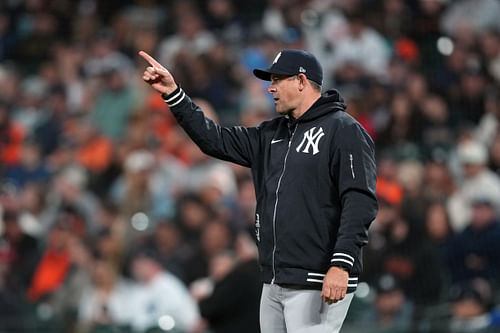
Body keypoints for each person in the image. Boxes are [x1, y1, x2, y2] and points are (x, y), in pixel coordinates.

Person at [140, 48, 378, 333]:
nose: (271, 88)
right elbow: (213, 139)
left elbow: (360, 201)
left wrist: (341, 263)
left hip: (319, 277)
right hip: (275, 278)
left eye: (278, 80)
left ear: (301, 81)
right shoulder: (270, 134)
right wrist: (174, 94)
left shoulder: (343, 130)